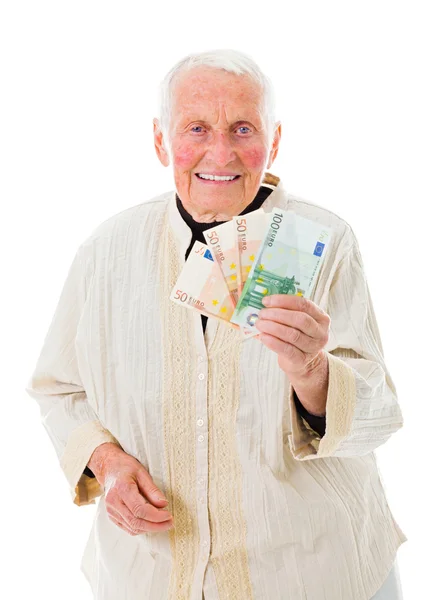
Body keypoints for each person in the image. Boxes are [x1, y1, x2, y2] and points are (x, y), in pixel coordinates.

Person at [25, 49, 407, 600]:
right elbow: (59, 389)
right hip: (152, 577)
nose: (220, 152)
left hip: (313, 574)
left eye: (243, 128)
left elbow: (380, 416)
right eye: (196, 128)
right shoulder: (105, 252)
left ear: (273, 142)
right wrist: (106, 463)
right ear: (160, 141)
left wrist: (314, 374)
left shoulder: (325, 242)